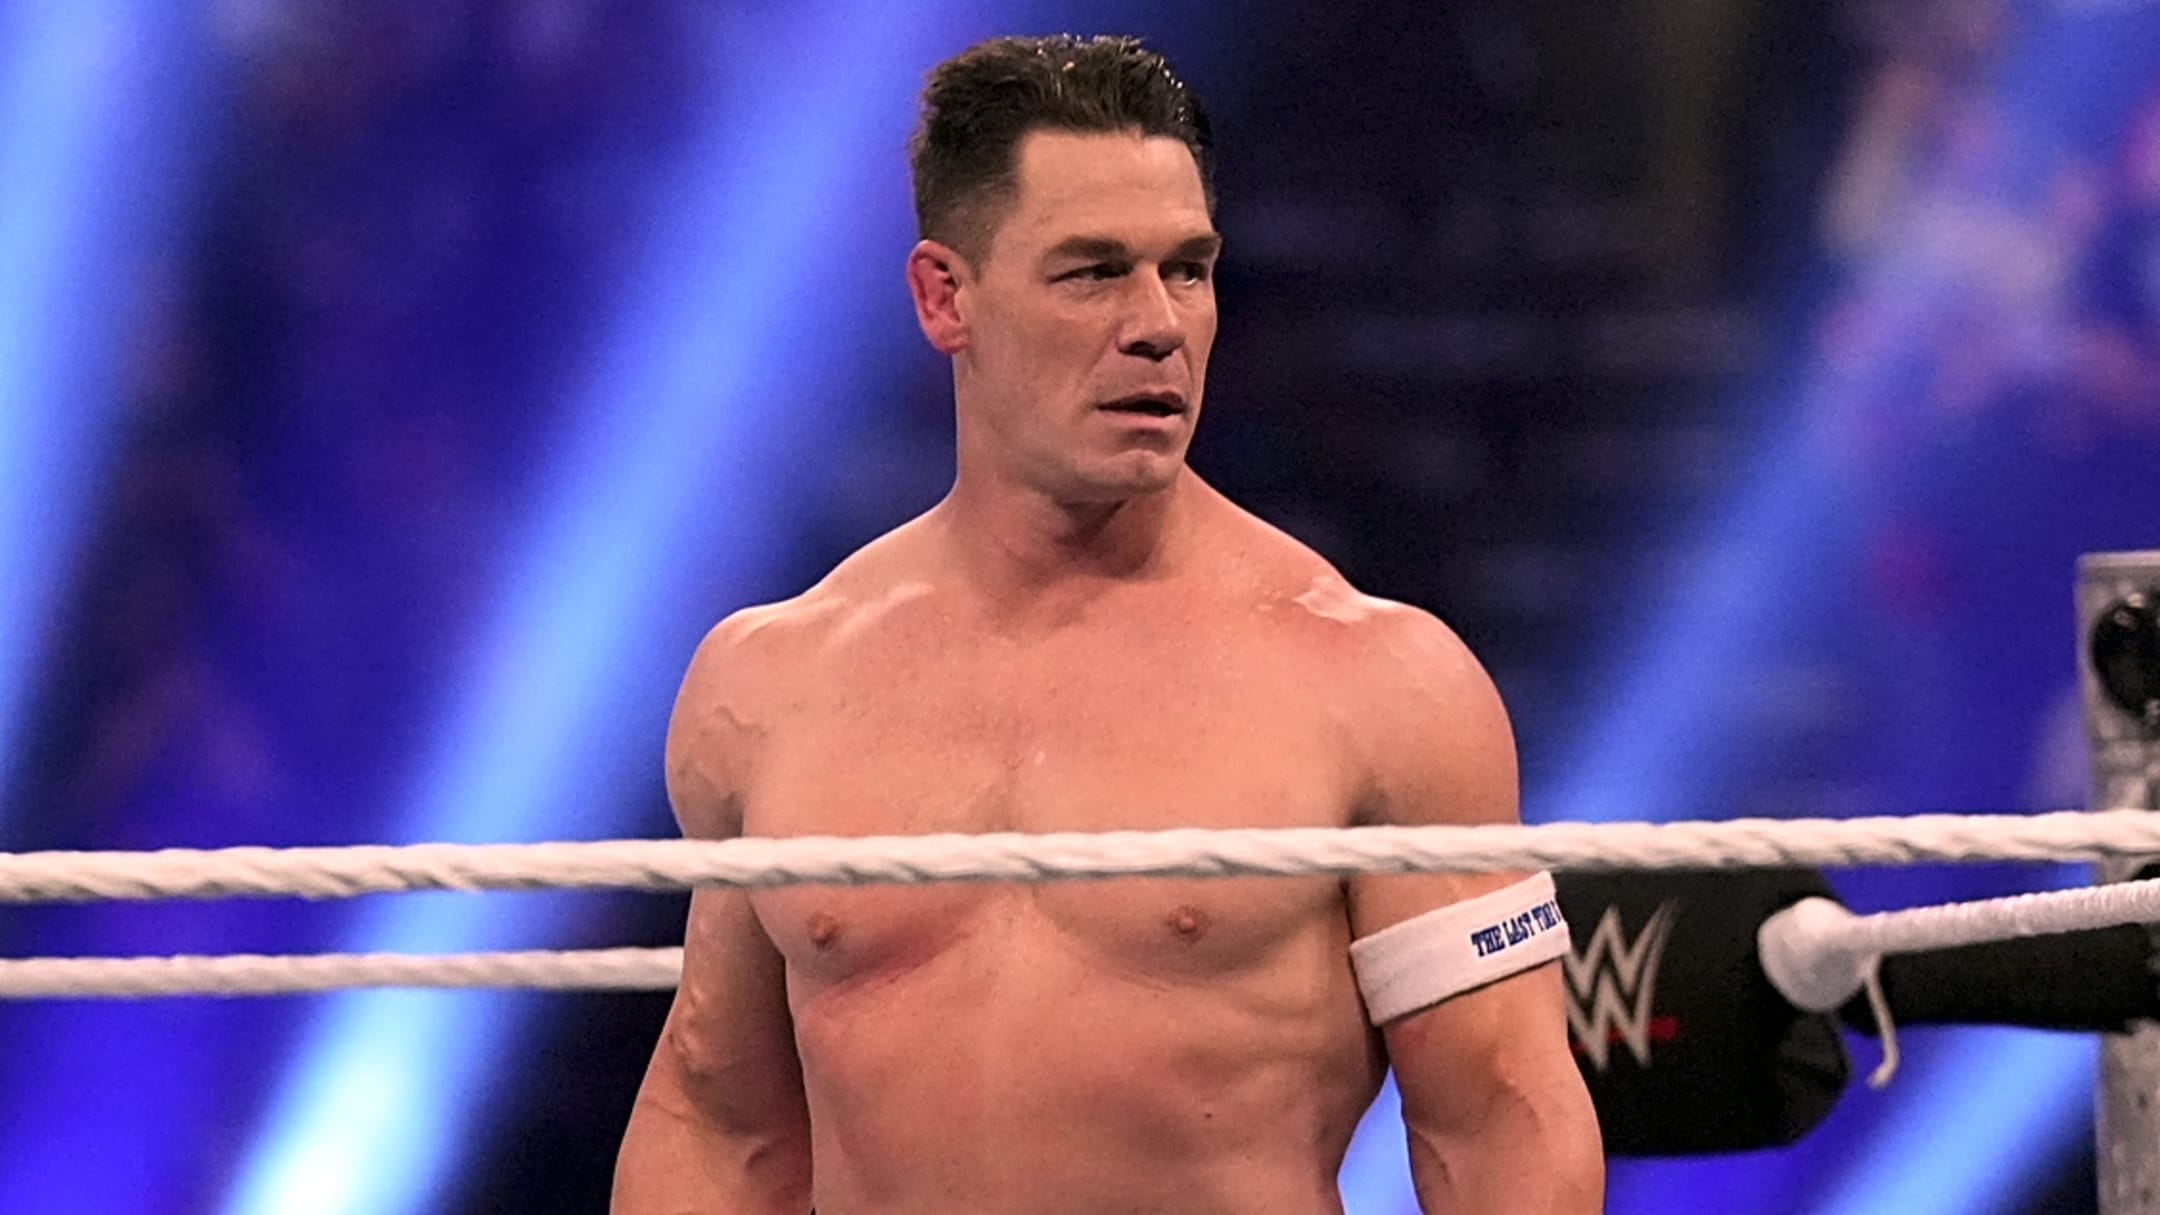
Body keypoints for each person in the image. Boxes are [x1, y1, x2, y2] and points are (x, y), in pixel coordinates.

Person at [612, 33, 1602, 1215]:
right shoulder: (769, 685)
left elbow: (1495, 1124)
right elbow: (721, 1124)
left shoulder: (1380, 684)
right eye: (1092, 272)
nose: (1157, 324)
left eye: (1187, 269)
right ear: (945, 297)